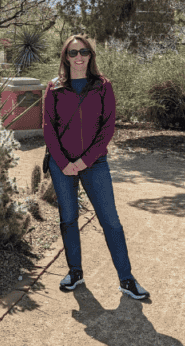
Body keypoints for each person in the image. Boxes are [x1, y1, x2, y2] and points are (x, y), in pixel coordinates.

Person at [42, 34, 150, 300]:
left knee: (110, 221)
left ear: (91, 56)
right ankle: (75, 272)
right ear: (65, 57)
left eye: (84, 52)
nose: (79, 57)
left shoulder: (103, 86)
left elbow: (108, 127)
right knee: (68, 219)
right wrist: (65, 162)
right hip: (62, 164)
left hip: (95, 163)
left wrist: (83, 161)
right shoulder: (54, 88)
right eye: (73, 52)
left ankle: (127, 279)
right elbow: (48, 128)